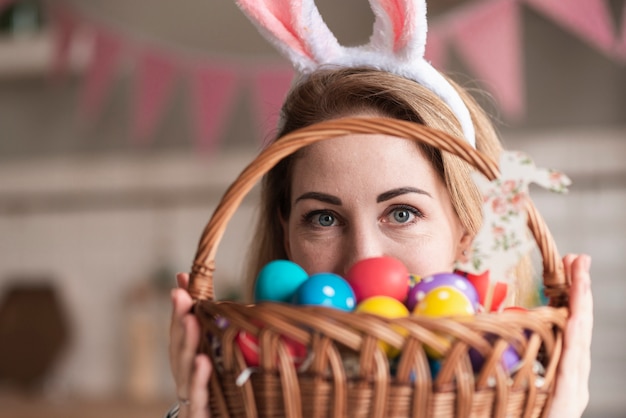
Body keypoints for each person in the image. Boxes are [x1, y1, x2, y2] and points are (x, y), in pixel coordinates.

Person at [167, 1, 592, 417]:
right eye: (324, 218)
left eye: (402, 213)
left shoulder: (508, 384)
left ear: (466, 230)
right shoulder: (249, 389)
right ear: (287, 233)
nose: (364, 260)